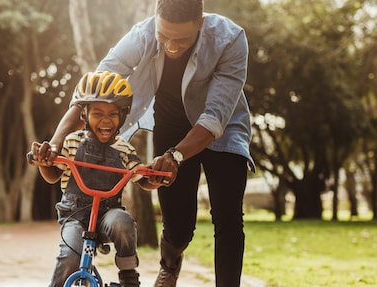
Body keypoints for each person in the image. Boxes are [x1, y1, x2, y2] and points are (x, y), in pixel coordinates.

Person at [36, 0, 254, 286]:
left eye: (182, 40)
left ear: (201, 23)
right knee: (178, 225)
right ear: (155, 21)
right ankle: (170, 264)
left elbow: (214, 117)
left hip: (222, 129)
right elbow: (95, 90)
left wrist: (176, 157)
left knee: (227, 217)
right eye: (164, 37)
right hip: (171, 126)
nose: (171, 47)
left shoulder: (231, 39)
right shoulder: (143, 34)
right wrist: (56, 141)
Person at [29, 71, 166, 287]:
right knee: (71, 254)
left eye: (113, 114)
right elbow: (53, 176)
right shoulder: (72, 142)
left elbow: (141, 177)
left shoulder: (124, 149)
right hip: (75, 215)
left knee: (122, 222)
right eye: (98, 113)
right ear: (84, 115)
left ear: (123, 115)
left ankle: (129, 276)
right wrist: (44, 163)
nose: (105, 120)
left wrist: (154, 178)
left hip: (107, 215)